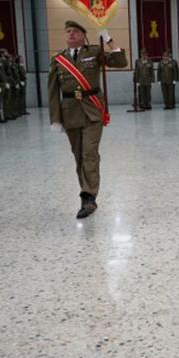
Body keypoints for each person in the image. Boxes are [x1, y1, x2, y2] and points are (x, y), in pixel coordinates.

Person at [48, 20, 127, 218]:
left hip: (92, 110)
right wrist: (55, 119)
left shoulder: (93, 52)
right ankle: (86, 191)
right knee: (78, 156)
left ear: (84, 35)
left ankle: (89, 198)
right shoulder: (58, 59)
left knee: (89, 154)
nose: (71, 34)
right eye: (68, 31)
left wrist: (107, 39)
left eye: (75, 31)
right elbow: (52, 91)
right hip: (70, 113)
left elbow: (120, 62)